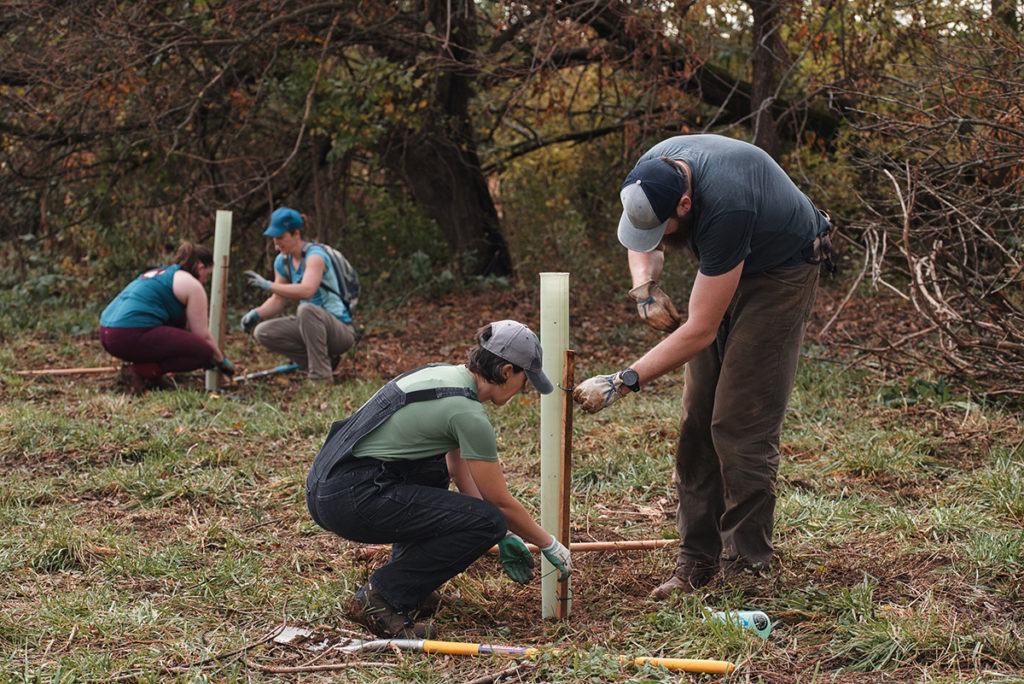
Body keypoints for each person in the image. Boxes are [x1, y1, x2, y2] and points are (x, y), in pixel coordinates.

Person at [573, 134, 833, 599]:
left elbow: (699, 331)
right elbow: (642, 234)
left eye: (668, 227)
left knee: (738, 423)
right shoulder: (650, 172)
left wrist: (623, 380)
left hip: (780, 271)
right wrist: (644, 287)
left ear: (687, 204)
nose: (660, 239)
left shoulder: (727, 207)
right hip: (725, 261)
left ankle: (747, 569)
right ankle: (696, 560)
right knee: (697, 420)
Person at [305, 320, 572, 638]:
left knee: (437, 471)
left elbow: (456, 466)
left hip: (328, 486)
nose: (523, 388)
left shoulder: (444, 376)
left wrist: (497, 532)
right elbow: (500, 502)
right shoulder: (469, 414)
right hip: (352, 498)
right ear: (505, 371)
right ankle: (381, 598)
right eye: (524, 379)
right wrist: (548, 544)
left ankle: (410, 588)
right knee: (489, 520)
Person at [240, 207, 357, 384]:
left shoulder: (315, 256)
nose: (276, 243)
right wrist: (256, 313)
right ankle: (322, 363)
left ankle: (321, 378)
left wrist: (268, 285)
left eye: (281, 237)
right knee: (263, 332)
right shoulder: (282, 261)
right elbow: (278, 300)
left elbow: (307, 290)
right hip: (311, 328)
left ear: (296, 233)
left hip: (340, 331)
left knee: (306, 309)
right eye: (274, 238)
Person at [99, 242, 234, 394]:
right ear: (200, 268)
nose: (205, 280)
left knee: (179, 320)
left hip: (106, 332)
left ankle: (154, 377)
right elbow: (201, 334)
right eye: (207, 275)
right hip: (128, 334)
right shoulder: (193, 285)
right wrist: (220, 359)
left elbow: (175, 331)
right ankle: (139, 372)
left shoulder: (162, 273)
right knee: (203, 352)